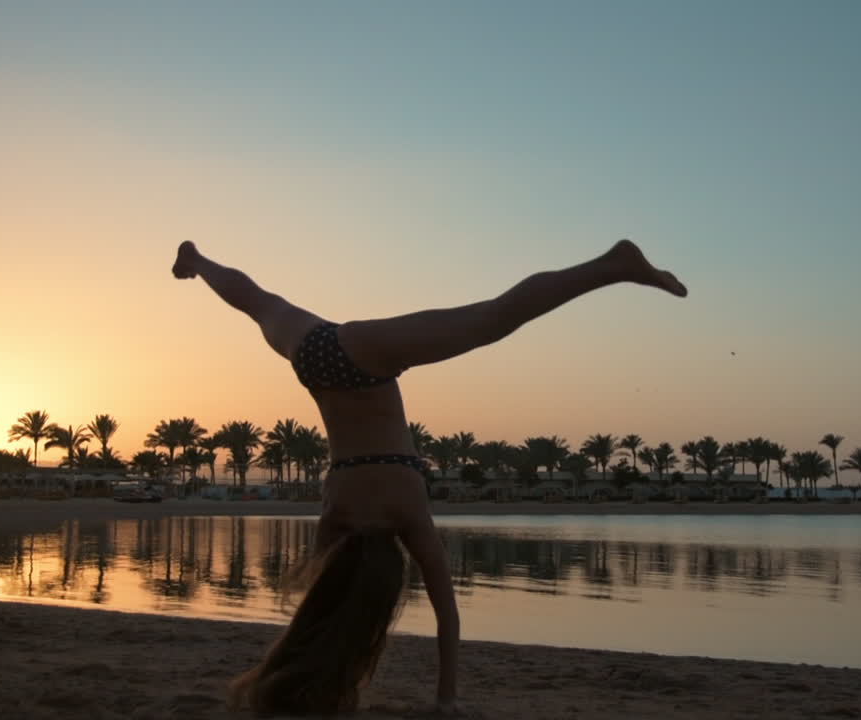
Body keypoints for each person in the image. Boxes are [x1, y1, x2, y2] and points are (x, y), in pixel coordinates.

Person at [171, 238, 686, 715]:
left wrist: (447, 698)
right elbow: (313, 616)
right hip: (316, 357)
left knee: (493, 318)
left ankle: (615, 264)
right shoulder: (336, 520)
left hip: (362, 358)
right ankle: (197, 260)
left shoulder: (409, 519)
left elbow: (448, 616)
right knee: (260, 303)